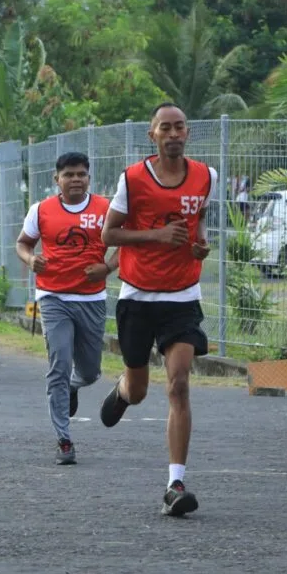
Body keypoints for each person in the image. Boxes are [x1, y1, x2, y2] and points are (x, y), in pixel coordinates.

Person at [99, 102, 216, 517]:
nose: (173, 134)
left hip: (182, 296)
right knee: (141, 388)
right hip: (138, 296)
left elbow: (198, 227)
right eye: (165, 128)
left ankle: (175, 483)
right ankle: (123, 390)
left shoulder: (206, 176)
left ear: (188, 133)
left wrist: (200, 245)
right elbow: (109, 232)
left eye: (180, 127)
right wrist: (157, 235)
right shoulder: (133, 179)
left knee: (179, 384)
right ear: (152, 135)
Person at [16, 152, 116, 465]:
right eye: (69, 175)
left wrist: (107, 267)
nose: (75, 180)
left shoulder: (106, 208)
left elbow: (126, 245)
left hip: (91, 298)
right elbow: (23, 243)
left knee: (89, 372)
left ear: (89, 178)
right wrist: (32, 260)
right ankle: (64, 439)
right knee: (59, 363)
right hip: (53, 296)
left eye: (81, 174)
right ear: (56, 179)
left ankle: (74, 386)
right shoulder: (41, 210)